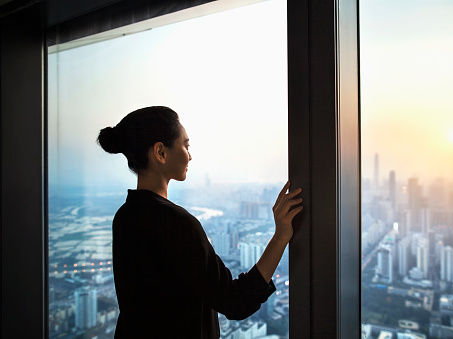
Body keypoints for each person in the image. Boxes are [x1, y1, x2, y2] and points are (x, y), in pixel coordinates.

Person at [97, 106, 303, 338]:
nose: (190, 155)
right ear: (160, 153)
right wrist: (281, 236)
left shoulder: (125, 216)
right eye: (186, 145)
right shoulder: (177, 223)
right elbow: (234, 302)